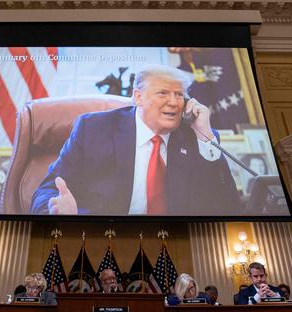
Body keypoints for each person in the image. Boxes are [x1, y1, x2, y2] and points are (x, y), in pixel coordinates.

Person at [30, 64, 240, 216]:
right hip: (101, 236)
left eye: (179, 95)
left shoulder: (196, 136)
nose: (174, 102)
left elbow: (227, 205)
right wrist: (55, 211)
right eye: (163, 93)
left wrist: (206, 137)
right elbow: (47, 190)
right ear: (138, 97)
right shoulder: (94, 129)